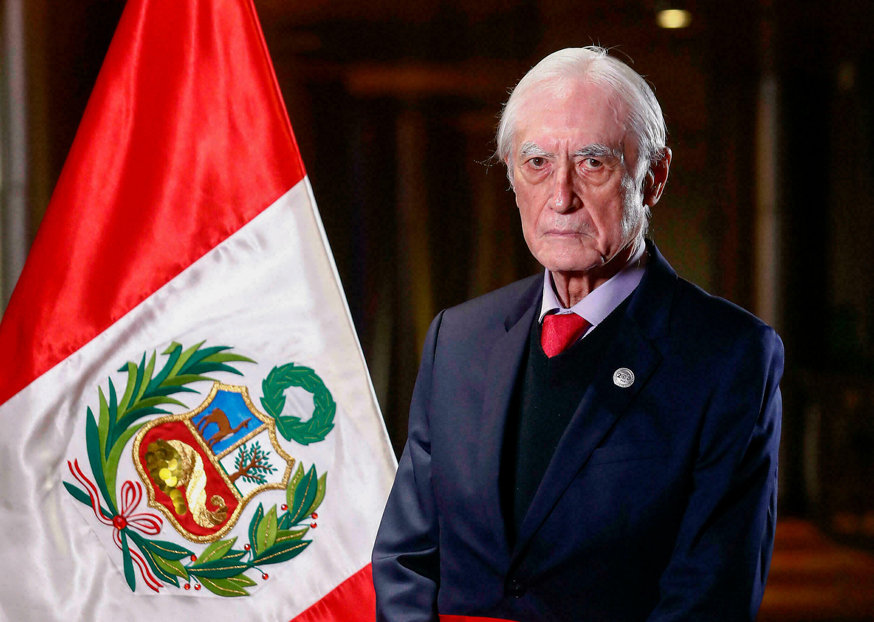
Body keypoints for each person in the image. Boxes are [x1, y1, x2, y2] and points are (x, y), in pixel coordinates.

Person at [372, 46, 783, 622]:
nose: (560, 197)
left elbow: (709, 597)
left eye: (593, 163)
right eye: (537, 163)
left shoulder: (727, 357)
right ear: (511, 174)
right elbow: (405, 559)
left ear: (654, 177)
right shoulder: (457, 339)